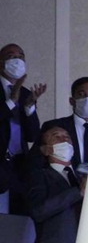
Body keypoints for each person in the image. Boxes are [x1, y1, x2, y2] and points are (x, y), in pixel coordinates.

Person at [0, 43, 45, 214]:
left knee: (17, 221)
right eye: (12, 56)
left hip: (19, 166)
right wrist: (11, 101)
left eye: (21, 57)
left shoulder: (26, 93)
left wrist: (29, 107)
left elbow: (33, 135)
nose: (17, 60)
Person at [26, 127, 84, 243]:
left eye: (67, 137)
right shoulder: (39, 176)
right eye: (56, 137)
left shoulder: (84, 178)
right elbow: (38, 211)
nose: (64, 140)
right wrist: (77, 191)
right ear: (46, 150)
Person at [32, 77, 88, 173]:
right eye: (81, 94)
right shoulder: (53, 126)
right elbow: (34, 160)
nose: (87, 99)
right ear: (72, 101)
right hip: (64, 184)